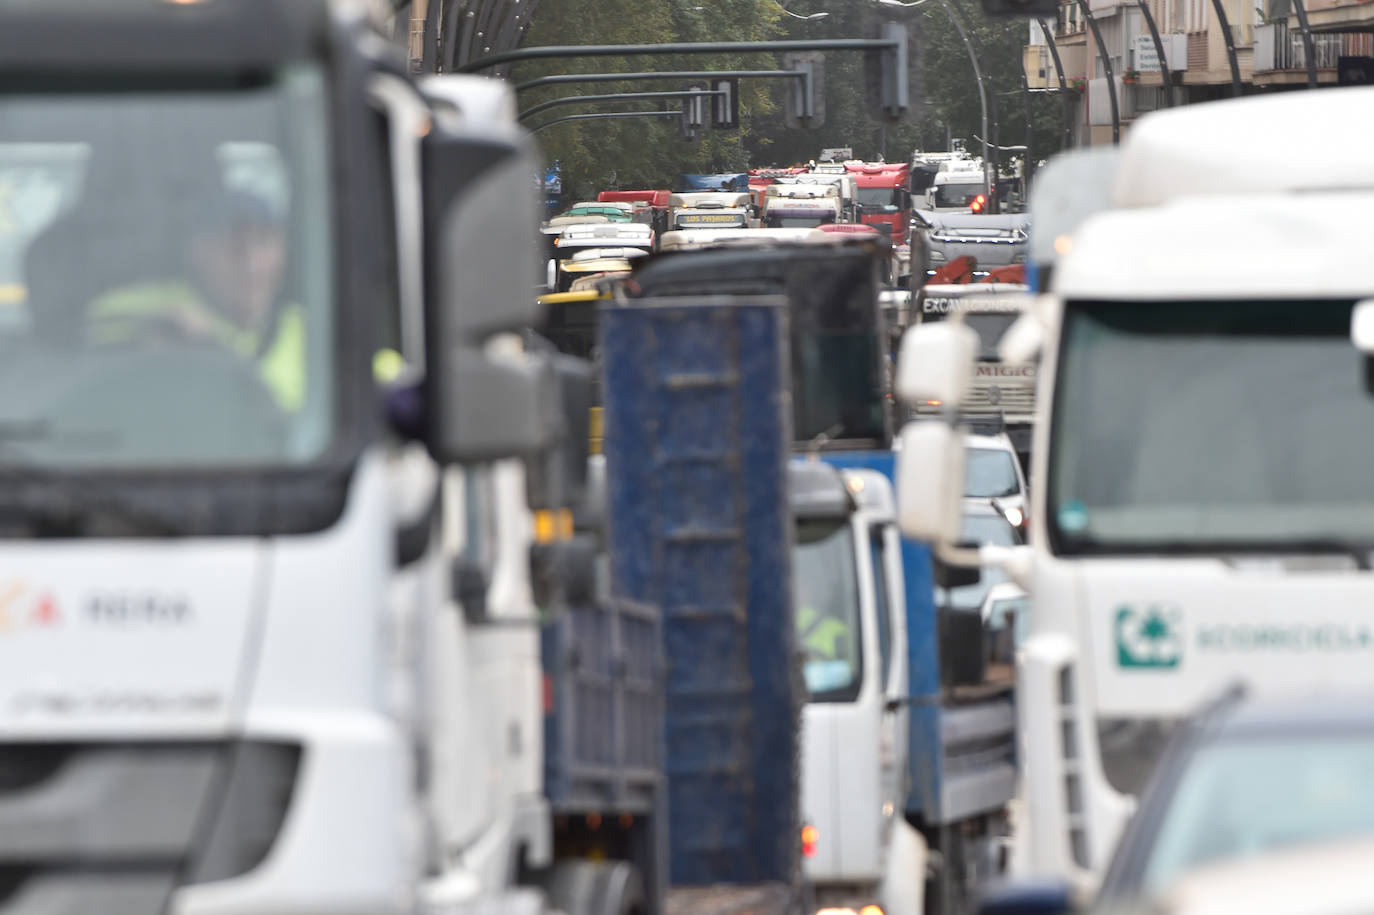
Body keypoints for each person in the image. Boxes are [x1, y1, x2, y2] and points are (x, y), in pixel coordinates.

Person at [87, 188, 307, 412]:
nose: (252, 264)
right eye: (233, 245)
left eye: (264, 242)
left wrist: (215, 349)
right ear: (195, 250)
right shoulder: (140, 309)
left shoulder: (309, 334)